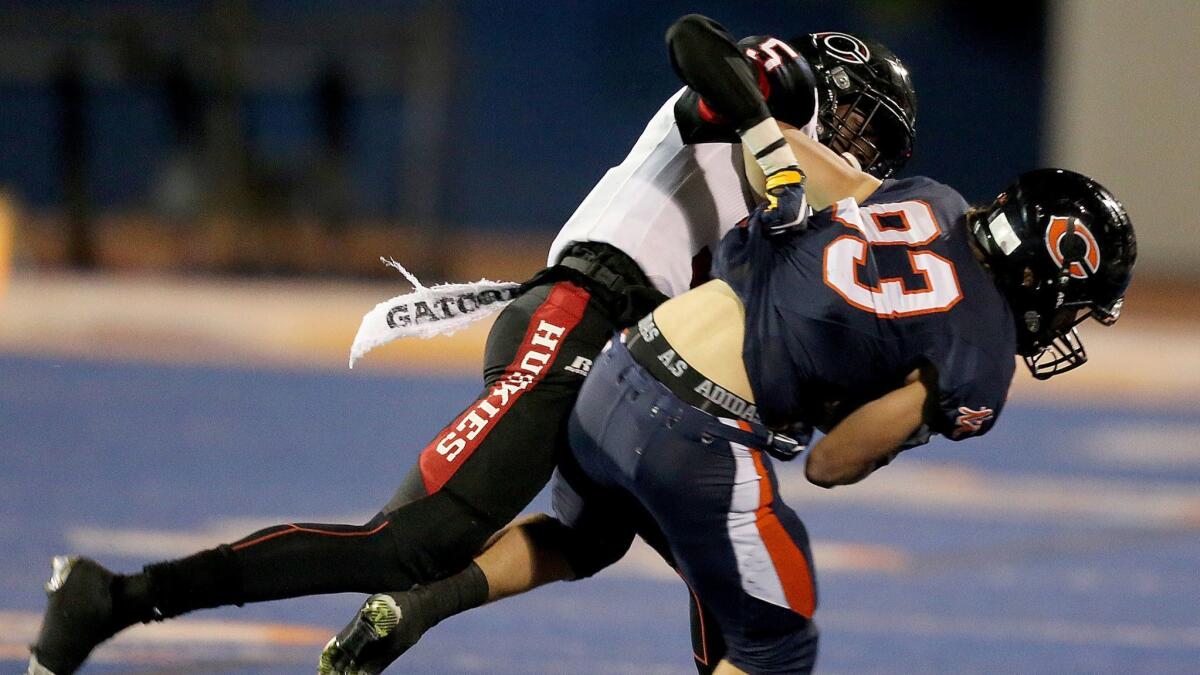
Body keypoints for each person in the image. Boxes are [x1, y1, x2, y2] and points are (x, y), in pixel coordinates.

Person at [27, 16, 917, 675]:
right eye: (863, 130)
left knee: (633, 544)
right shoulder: (779, 104)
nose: (863, 158)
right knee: (407, 538)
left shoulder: (801, 221)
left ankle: (409, 613)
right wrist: (773, 136)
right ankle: (115, 596)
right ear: (827, 95)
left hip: (634, 364)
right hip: (586, 315)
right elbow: (693, 43)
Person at [319, 127, 1138, 673]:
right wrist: (916, 411)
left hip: (621, 367)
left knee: (589, 531)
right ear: (1044, 268)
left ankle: (414, 603)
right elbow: (831, 461)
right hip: (697, 431)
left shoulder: (932, 198)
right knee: (780, 637)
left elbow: (797, 161)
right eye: (1076, 298)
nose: (1066, 319)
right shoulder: (981, 359)